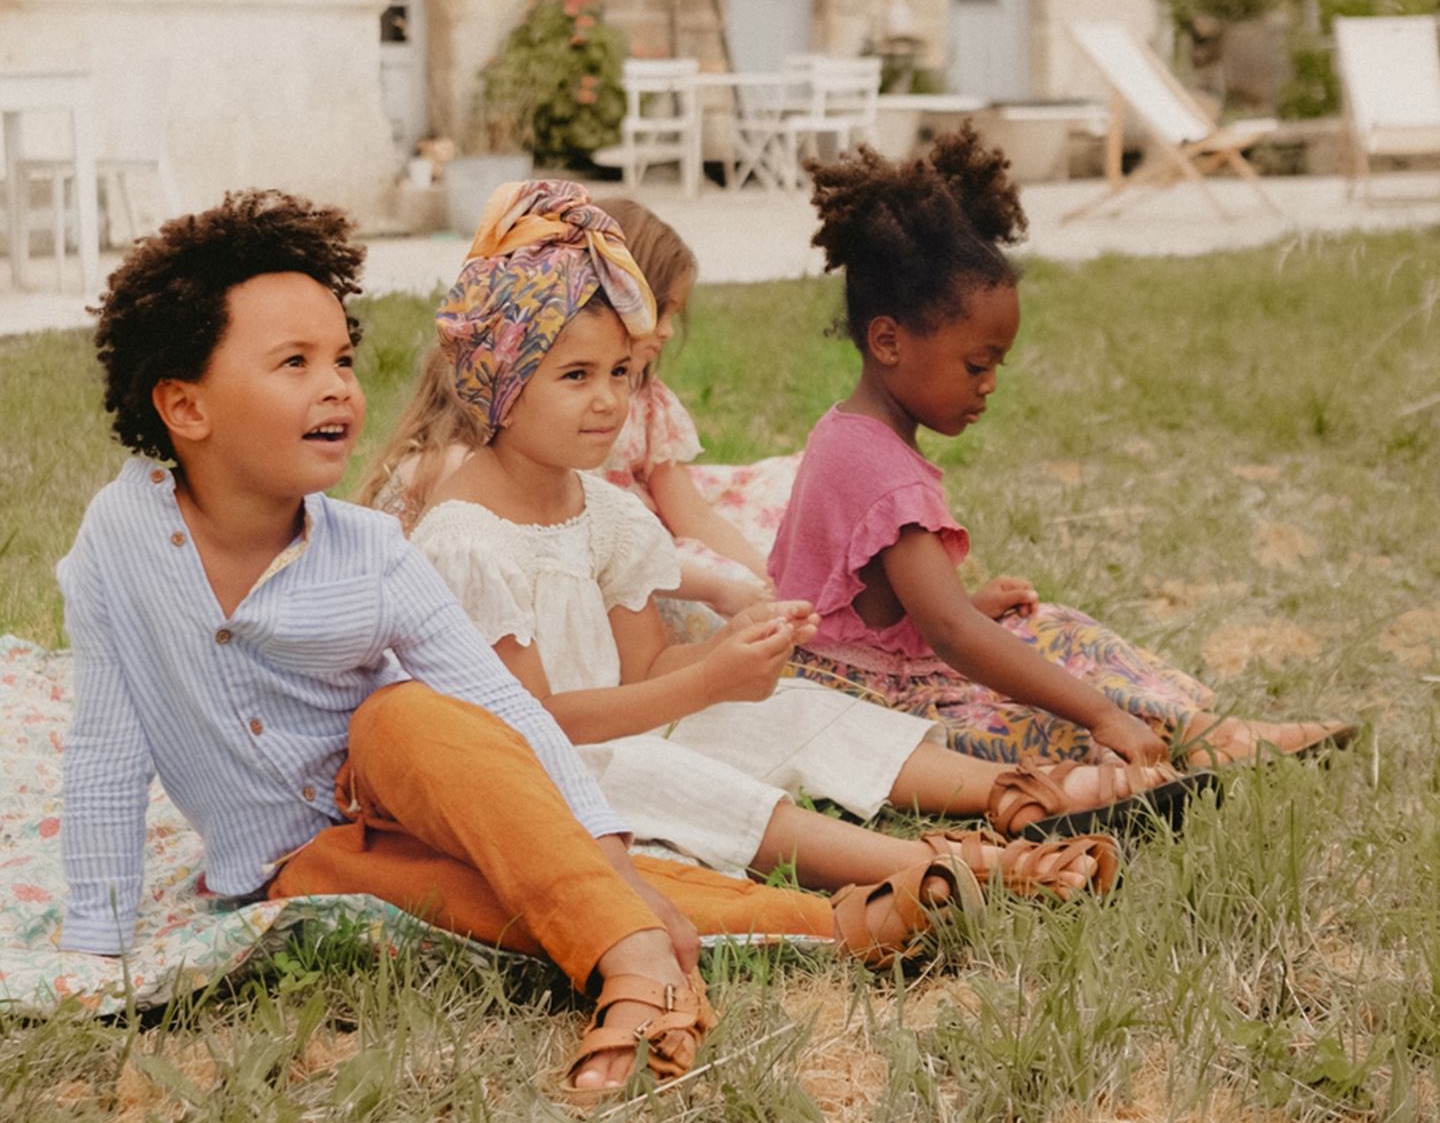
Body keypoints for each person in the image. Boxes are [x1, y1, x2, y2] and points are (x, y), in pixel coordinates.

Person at [57, 189, 790, 1102]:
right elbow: (105, 749)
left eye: (343, 359)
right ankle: (840, 923)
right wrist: (98, 936)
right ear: (185, 407)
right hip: (304, 859)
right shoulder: (118, 542)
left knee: (398, 717)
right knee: (513, 896)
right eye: (295, 363)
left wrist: (601, 856)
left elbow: (503, 707)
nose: (338, 387)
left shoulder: (371, 551)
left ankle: (635, 960)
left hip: (430, 782)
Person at [362, 179, 1184, 905]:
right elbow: (537, 724)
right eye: (576, 376)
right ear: (497, 383)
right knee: (670, 776)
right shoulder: (468, 540)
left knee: (793, 708)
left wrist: (732, 655)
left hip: (623, 724)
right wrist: (704, 685)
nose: (610, 401)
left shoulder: (603, 516)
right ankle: (950, 865)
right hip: (542, 772)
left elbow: (648, 668)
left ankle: (1031, 792)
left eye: (622, 373)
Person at [770, 128, 1355, 788]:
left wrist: (964, 604)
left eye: (996, 364)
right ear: (887, 340)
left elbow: (893, 603)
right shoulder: (880, 471)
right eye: (975, 364)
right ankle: (1182, 741)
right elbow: (953, 634)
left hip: (867, 667)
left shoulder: (849, 430)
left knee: (1059, 629)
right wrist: (1100, 711)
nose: (990, 383)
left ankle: (1201, 729)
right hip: (875, 705)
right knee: (1053, 720)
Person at [588, 195, 795, 618]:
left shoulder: (645, 399)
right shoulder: (550, 406)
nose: (666, 332)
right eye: (659, 312)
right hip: (624, 552)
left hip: (662, 528)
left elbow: (690, 515)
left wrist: (774, 582)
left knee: (796, 484)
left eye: (673, 315)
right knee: (703, 596)